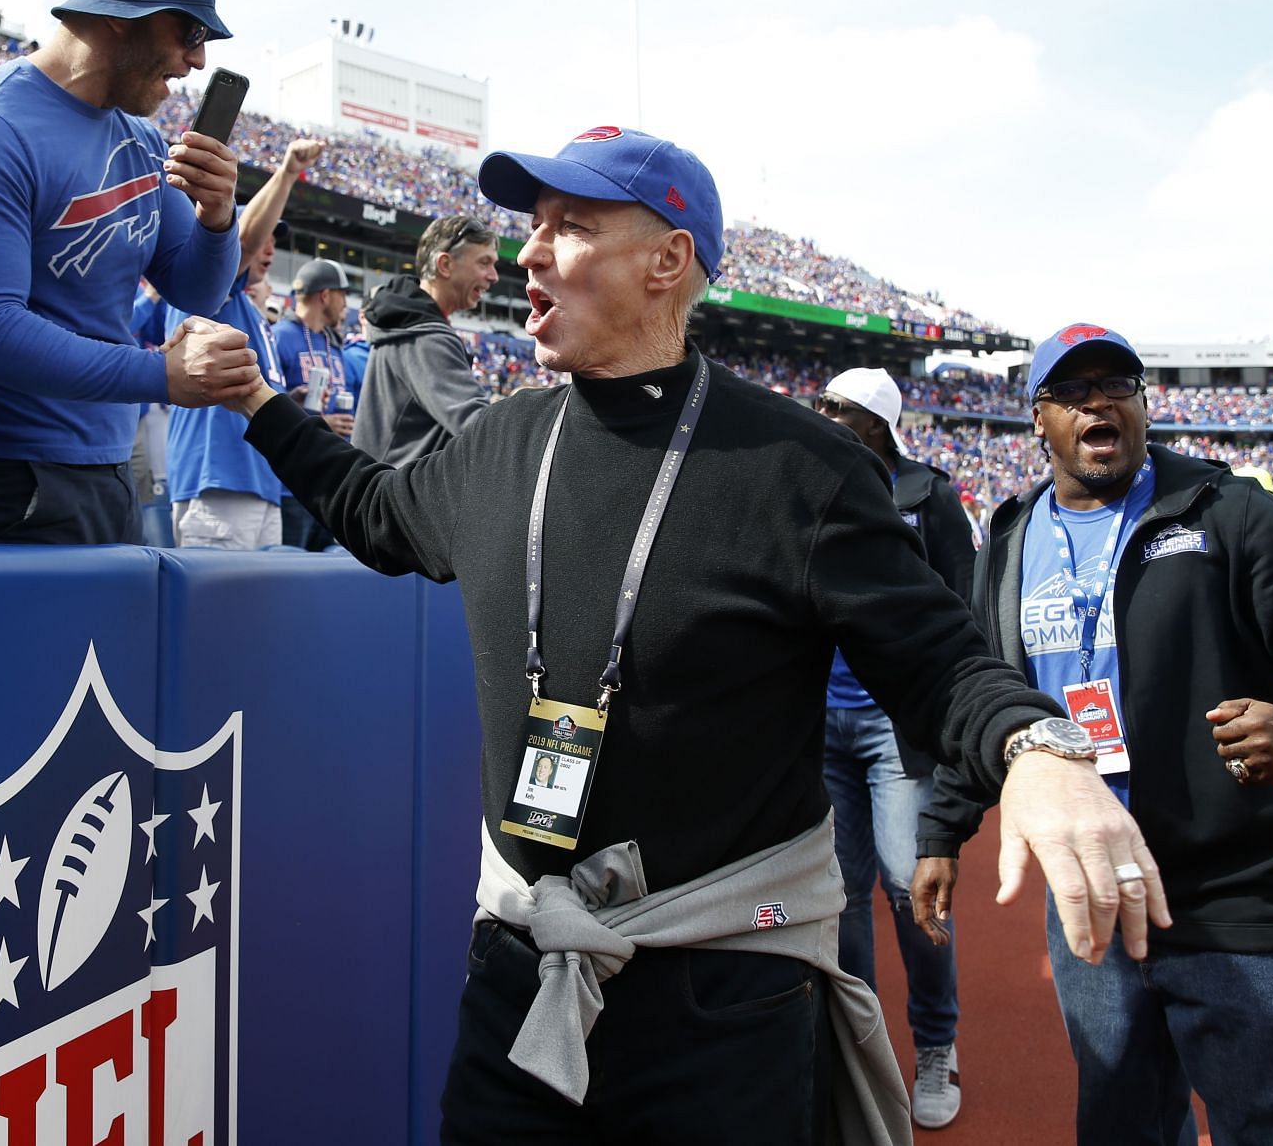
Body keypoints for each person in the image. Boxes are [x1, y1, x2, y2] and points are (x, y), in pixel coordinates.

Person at [204, 126, 1164, 1142]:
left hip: (727, 998)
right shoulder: (497, 442)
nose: (529, 251)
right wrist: (258, 401)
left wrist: (1037, 748)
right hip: (520, 978)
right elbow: (372, 509)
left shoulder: (801, 466)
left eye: (570, 226)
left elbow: (938, 660)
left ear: (669, 261)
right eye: (530, 227)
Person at [913, 322, 1273, 1145]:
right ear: (1039, 419)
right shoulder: (1012, 540)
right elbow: (993, 687)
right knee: (1120, 1118)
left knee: (1271, 1123)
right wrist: (943, 830)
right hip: (1090, 883)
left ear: (1143, 407)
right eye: (1074, 391)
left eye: (1117, 386)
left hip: (1235, 889)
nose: (1099, 402)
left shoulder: (1227, 509)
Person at [0, 0, 257, 545]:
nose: (197, 60)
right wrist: (160, 376)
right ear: (123, 16)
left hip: (106, 467)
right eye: (191, 32)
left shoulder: (143, 138)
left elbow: (198, 292)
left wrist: (217, 217)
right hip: (2, 477)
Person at [814, 366, 971, 1129]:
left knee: (914, 892)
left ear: (874, 424)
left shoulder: (928, 496)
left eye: (835, 409)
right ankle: (864, 1049)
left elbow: (964, 607)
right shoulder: (808, 482)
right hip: (824, 728)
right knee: (839, 901)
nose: (821, 416)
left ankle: (937, 1044)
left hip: (895, 730)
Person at [158, 142, 319, 549]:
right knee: (218, 612)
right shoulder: (214, 291)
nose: (270, 248)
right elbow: (240, 247)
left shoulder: (250, 312)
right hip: (218, 482)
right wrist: (286, 173)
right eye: (265, 235)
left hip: (261, 483)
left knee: (258, 612)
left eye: (274, 241)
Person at [354, 213, 498, 465]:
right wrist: (526, 415)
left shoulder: (411, 324)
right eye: (484, 263)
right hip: (392, 495)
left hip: (380, 488)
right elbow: (478, 429)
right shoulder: (425, 336)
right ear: (445, 265)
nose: (493, 276)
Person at [273, 257, 353, 549]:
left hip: (329, 484)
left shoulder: (333, 344)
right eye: (343, 295)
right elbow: (269, 406)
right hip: (290, 486)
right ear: (325, 295)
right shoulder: (280, 336)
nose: (345, 304)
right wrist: (322, 424)